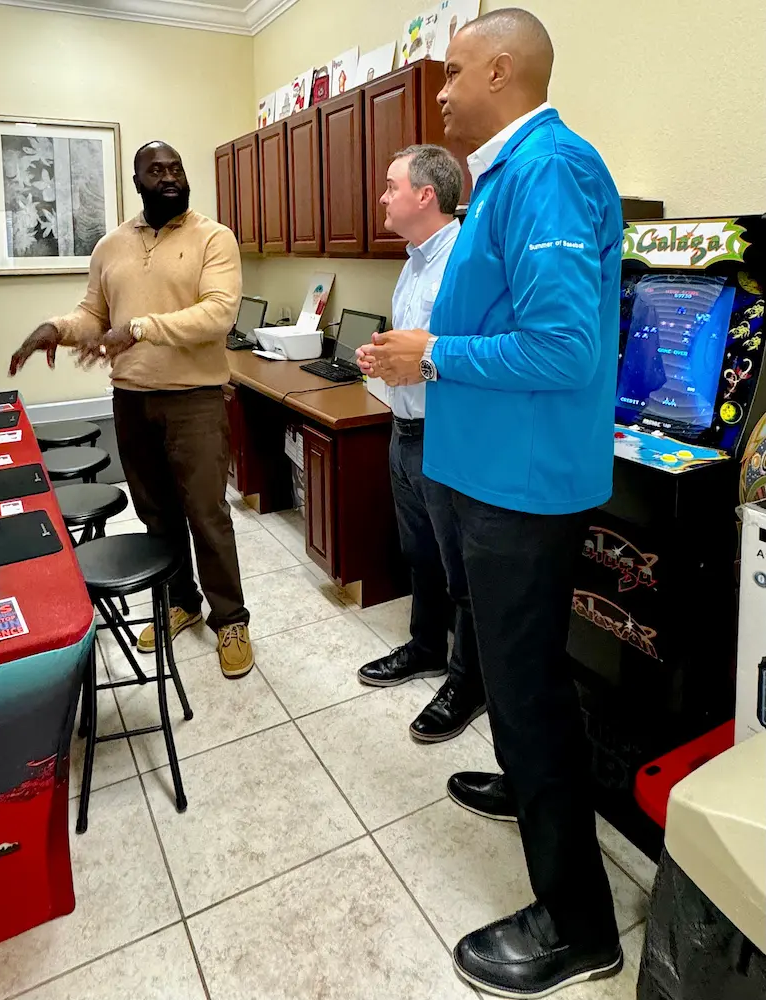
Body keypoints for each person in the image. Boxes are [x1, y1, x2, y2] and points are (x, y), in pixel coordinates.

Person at [357, 9, 624, 998]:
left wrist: (431, 352)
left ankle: (577, 924)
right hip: (480, 478)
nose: (440, 93)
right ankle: (524, 788)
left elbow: (561, 348)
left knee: (525, 693)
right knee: (518, 682)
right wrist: (424, 350)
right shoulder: (501, 178)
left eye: (454, 74)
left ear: (502, 71)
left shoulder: (550, 169)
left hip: (519, 489)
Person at [9, 141, 255, 680]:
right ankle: (181, 601)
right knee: (156, 512)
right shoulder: (111, 245)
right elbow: (93, 313)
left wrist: (139, 328)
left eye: (176, 168)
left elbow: (217, 314)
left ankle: (230, 618)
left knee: (207, 514)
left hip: (194, 400)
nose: (169, 177)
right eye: (156, 171)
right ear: (138, 181)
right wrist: (56, 329)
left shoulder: (214, 238)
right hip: (131, 400)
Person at [357, 145, 486, 746]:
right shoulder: (413, 262)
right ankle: (427, 647)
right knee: (421, 556)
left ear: (425, 195)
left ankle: (468, 684)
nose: (383, 198)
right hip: (403, 429)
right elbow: (417, 348)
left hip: (447, 437)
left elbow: (467, 357)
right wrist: (380, 357)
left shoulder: (466, 260)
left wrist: (418, 365)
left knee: (462, 572)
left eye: (390, 187)